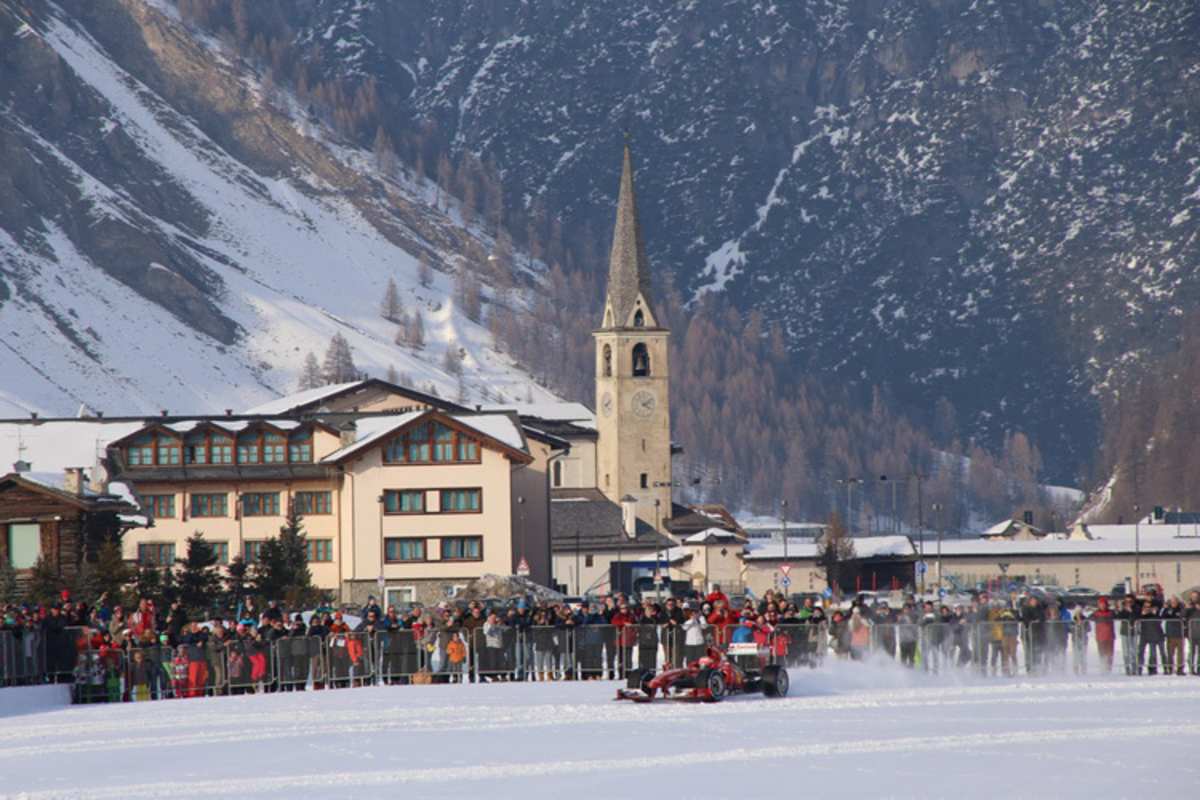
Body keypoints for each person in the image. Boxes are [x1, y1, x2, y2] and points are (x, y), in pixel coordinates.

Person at [1161, 596, 1186, 676]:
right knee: (1170, 653)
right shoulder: (1167, 609)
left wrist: (1174, 614)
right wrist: (1165, 609)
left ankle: (1180, 668)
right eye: (1172, 602)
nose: (1173, 603)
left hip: (1180, 634)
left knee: (1180, 653)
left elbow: (1182, 616)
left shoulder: (1181, 609)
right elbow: (1162, 617)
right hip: (1170, 634)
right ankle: (1170, 668)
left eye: (1175, 601)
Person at [1092, 596, 1116, 673]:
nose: (1102, 606)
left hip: (1110, 637)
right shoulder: (1096, 613)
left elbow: (1115, 616)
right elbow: (1088, 619)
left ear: (1106, 605)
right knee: (1102, 654)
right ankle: (1103, 668)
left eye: (1104, 604)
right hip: (1100, 637)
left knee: (1109, 654)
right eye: (1101, 604)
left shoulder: (1111, 612)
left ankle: (1108, 669)